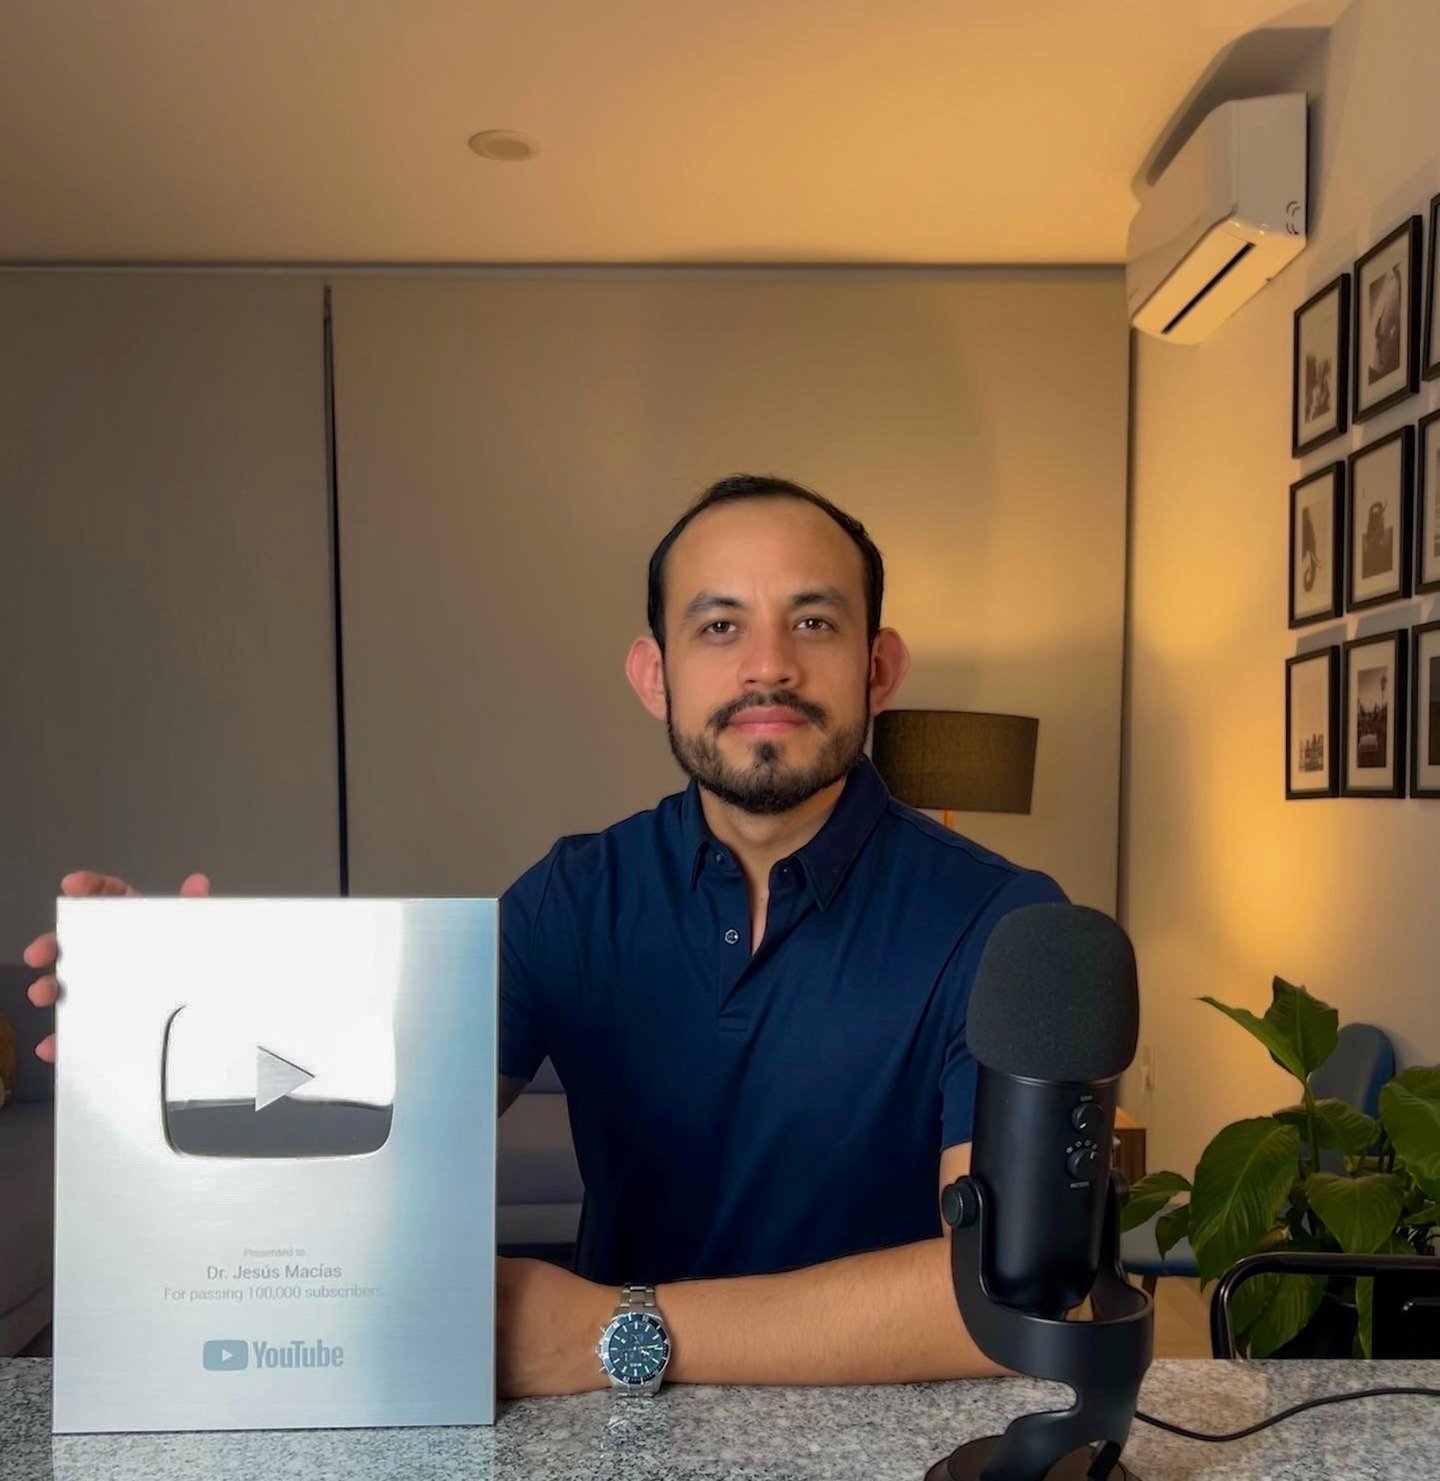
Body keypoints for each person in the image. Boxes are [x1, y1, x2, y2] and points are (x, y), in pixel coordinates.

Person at [23, 474, 1064, 1398]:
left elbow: (1012, 1284)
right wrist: (169, 1017)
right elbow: (375, 1133)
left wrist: (622, 1332)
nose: (767, 666)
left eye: (814, 623)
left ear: (879, 667)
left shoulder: (1006, 925)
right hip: (614, 1462)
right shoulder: (574, 896)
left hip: (894, 1459)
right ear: (654, 675)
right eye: (717, 626)